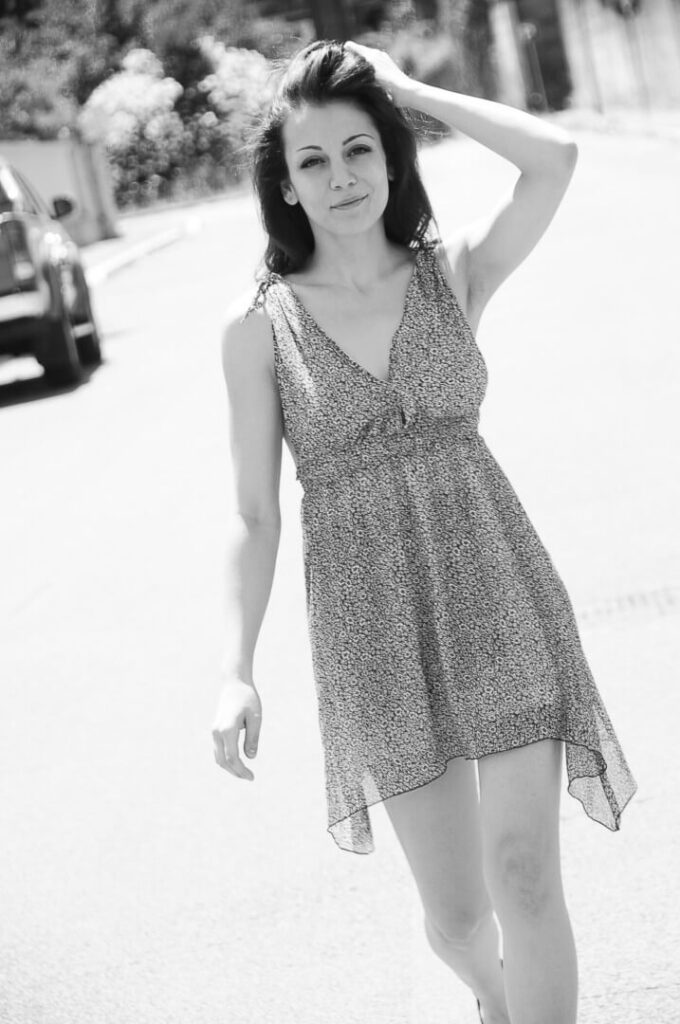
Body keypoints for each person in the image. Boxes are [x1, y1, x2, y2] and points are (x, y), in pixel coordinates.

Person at [213, 39, 637, 1024]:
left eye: (359, 148)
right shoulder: (257, 328)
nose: (341, 177)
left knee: (523, 870)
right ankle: (493, 997)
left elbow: (554, 158)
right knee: (456, 917)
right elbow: (253, 511)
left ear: (391, 153)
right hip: (373, 632)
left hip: (497, 590)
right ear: (284, 184)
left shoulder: (451, 273)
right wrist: (235, 668)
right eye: (313, 160)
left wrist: (402, 88)